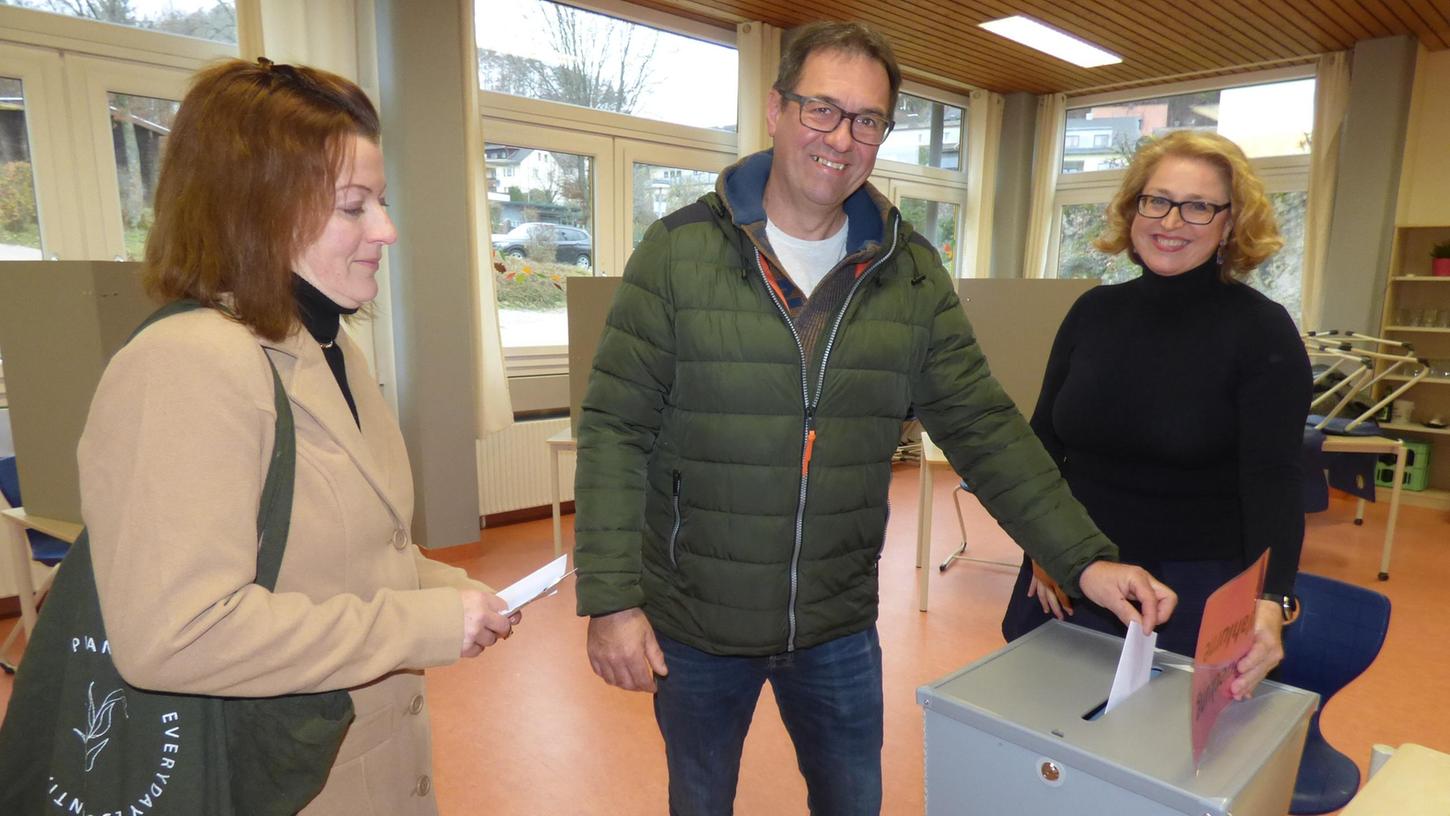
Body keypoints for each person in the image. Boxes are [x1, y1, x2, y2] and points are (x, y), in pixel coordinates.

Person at [573, 21, 1177, 816]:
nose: (841, 137)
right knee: (700, 797)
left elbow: (983, 424)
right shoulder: (679, 252)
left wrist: (1085, 558)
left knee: (854, 800)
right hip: (696, 617)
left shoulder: (909, 271)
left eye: (867, 120)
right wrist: (612, 601)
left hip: (836, 622)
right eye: (822, 109)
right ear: (777, 110)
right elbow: (616, 427)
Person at [76, 59, 518, 814]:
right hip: (266, 783)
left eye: (382, 201)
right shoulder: (186, 364)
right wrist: (421, 625)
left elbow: (348, 552)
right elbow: (174, 634)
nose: (388, 230)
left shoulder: (326, 347)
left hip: (358, 765)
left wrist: (452, 589)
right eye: (354, 207)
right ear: (252, 209)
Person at [1001, 130, 1312, 700]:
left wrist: (1272, 598)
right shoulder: (1092, 312)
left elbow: (1274, 480)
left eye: (1198, 206)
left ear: (1230, 222)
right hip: (1073, 570)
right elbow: (1043, 443)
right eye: (1158, 200)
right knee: (1039, 740)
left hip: (1191, 588)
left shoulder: (1261, 330)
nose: (1171, 222)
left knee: (1157, 760)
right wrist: (1043, 545)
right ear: (1134, 208)